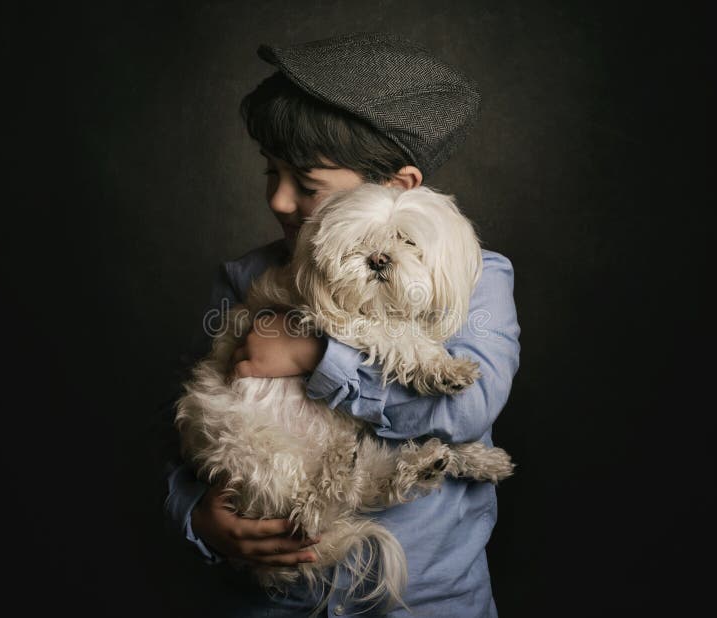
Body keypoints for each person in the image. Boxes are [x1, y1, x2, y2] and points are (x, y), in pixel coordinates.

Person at [160, 31, 521, 617]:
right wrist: (198, 516)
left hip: (424, 602)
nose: (279, 201)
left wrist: (315, 354)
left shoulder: (475, 279)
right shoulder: (247, 277)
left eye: (306, 185)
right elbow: (188, 438)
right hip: (275, 601)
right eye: (269, 173)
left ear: (395, 189)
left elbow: (468, 409)